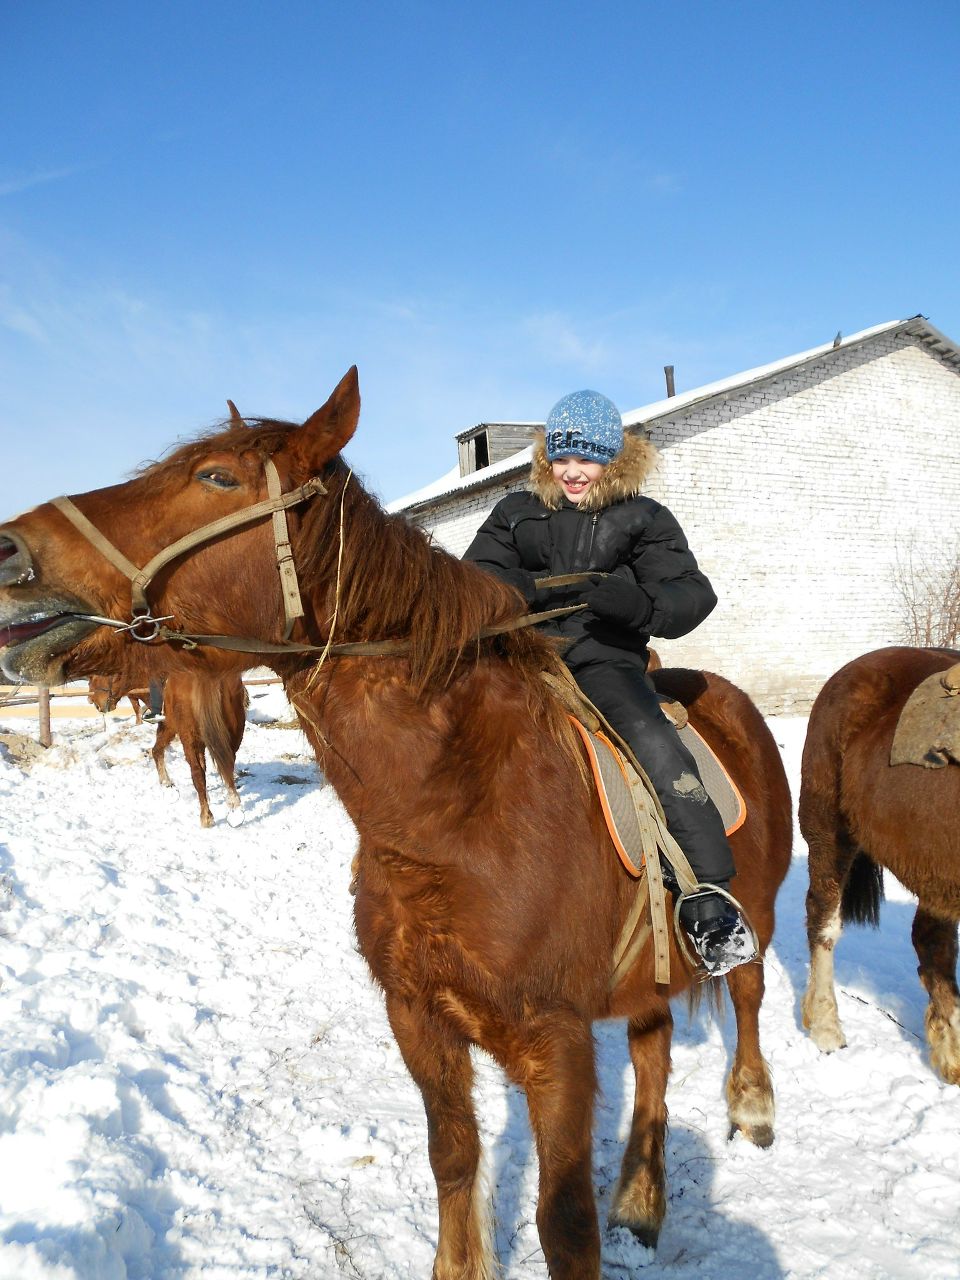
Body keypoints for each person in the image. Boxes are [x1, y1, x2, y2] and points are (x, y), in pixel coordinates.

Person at [463, 389, 755, 975]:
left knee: (651, 738)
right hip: (520, 653)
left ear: (613, 460)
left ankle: (709, 895)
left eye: (587, 459)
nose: (573, 472)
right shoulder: (514, 512)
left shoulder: (644, 519)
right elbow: (477, 572)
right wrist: (500, 594)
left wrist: (639, 605)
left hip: (603, 657)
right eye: (562, 458)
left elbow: (693, 594)